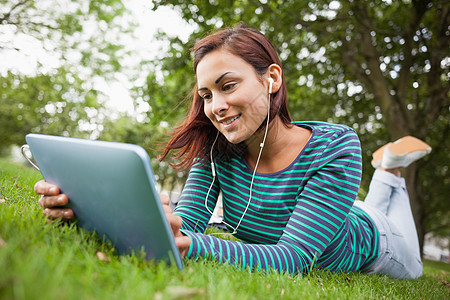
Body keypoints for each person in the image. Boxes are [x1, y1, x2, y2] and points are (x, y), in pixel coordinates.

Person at [34, 25, 431, 279]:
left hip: (378, 239)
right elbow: (186, 223)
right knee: (367, 202)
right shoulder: (217, 149)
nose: (215, 106)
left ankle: (390, 169)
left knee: (407, 253)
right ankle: (387, 167)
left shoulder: (336, 145)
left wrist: (191, 246)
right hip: (336, 207)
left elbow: (292, 258)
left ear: (271, 78)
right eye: (206, 95)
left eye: (228, 86)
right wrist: (84, 212)